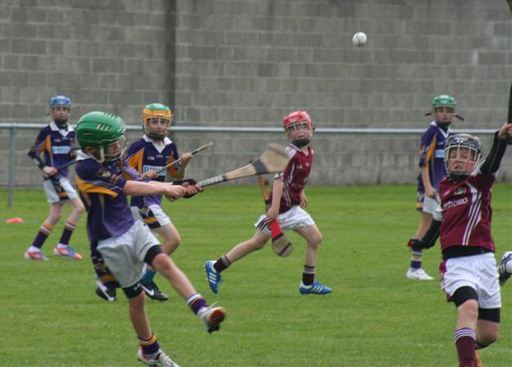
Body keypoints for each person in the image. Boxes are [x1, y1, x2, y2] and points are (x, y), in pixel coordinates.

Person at [75, 111, 226, 366]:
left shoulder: (109, 156)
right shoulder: (87, 167)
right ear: (92, 148)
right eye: (112, 144)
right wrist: (166, 187)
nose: (118, 147)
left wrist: (176, 187)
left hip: (132, 227)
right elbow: (128, 188)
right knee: (137, 299)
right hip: (110, 241)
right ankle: (149, 350)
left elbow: (132, 176)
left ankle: (203, 311)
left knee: (164, 263)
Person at [409, 122, 512, 367]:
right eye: (454, 155)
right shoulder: (444, 187)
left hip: (484, 260)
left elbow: (492, 163)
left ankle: (498, 274)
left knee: (488, 334)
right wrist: (422, 243)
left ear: (474, 161)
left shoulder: (479, 183)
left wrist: (499, 139)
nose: (458, 160)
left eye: (465, 157)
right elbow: (438, 222)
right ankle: (466, 363)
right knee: (468, 307)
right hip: (456, 264)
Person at [204, 111, 332, 296]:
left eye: (304, 126)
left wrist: (301, 191)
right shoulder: (289, 153)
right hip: (279, 211)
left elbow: (295, 176)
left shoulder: (309, 151)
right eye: (295, 129)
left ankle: (307, 284)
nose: (301, 131)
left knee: (315, 238)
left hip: (293, 208)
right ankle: (215, 266)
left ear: (312, 128)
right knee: (256, 243)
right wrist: (273, 209)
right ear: (288, 134)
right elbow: (279, 179)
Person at [125, 103, 193, 301]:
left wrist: (183, 165)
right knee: (173, 240)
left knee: (141, 249)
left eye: (163, 122)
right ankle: (145, 280)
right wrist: (142, 176)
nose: (159, 126)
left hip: (156, 202)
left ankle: (112, 281)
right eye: (154, 122)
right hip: (142, 203)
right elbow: (123, 176)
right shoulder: (138, 147)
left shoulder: (170, 147)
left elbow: (176, 174)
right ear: (145, 123)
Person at [24, 95, 84, 260]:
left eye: (64, 109)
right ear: (51, 111)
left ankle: (34, 249)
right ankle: (62, 246)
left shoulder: (72, 131)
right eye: (57, 109)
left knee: (55, 215)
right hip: (55, 179)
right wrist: (44, 167)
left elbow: (69, 155)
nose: (61, 113)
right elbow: (32, 152)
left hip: (63, 177)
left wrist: (77, 154)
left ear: (69, 112)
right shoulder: (47, 131)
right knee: (79, 208)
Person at [406, 94, 457, 280]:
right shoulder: (432, 133)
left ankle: (450, 265)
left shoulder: (450, 134)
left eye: (448, 111)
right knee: (427, 225)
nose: (445, 115)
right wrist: (428, 187)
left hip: (445, 188)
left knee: (447, 225)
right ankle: (414, 267)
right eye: (441, 111)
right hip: (432, 189)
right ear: (434, 112)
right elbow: (424, 162)